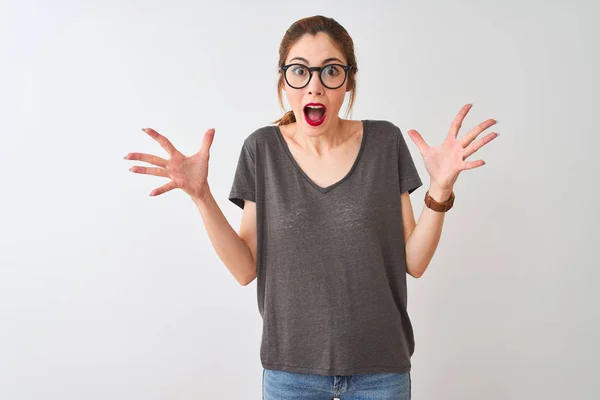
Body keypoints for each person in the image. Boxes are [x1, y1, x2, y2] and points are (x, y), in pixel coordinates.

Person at [124, 14, 498, 400]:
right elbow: (244, 269)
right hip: (290, 374)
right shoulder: (262, 150)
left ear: (349, 80)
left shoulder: (385, 142)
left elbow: (414, 263)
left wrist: (439, 189)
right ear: (283, 80)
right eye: (300, 71)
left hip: (381, 371)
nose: (314, 87)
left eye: (330, 71)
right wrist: (201, 196)